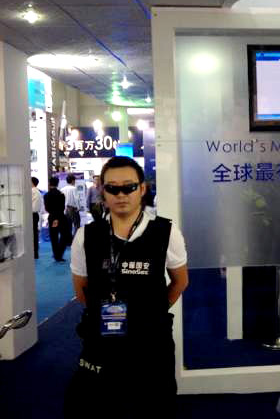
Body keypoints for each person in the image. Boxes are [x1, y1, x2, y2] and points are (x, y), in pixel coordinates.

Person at [64, 156, 189, 419]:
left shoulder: (166, 232)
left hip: (152, 340)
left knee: (156, 405)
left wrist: (154, 311)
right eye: (113, 188)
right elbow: (81, 290)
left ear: (142, 189)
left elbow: (180, 281)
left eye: (129, 187)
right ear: (103, 191)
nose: (121, 195)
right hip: (102, 339)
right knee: (98, 406)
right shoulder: (86, 236)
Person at [43, 176, 69, 262]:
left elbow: (47, 208)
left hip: (52, 217)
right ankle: (59, 254)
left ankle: (56, 254)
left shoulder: (46, 195)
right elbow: (62, 207)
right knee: (65, 235)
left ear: (49, 184)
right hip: (61, 216)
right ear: (57, 184)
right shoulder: (61, 194)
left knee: (54, 237)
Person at [31, 177, 42, 259]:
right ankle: (35, 253)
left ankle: (33, 253)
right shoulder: (37, 191)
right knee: (35, 234)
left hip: (31, 215)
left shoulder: (32, 191)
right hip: (35, 215)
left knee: (32, 235)